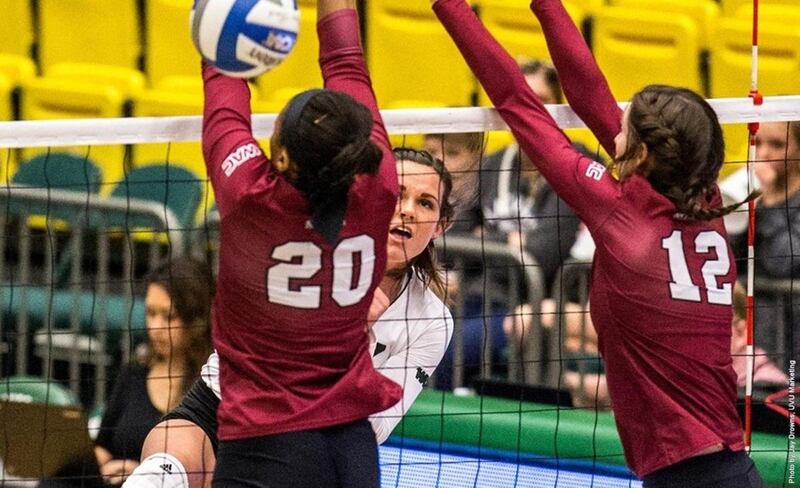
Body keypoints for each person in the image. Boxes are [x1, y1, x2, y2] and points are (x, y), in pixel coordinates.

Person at [429, 0, 763, 486]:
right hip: (720, 462)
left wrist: (451, 7)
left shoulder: (618, 211)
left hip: (688, 473)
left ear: (642, 153)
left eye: (624, 127)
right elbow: (591, 94)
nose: (614, 125)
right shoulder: (702, 196)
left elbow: (517, 101)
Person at [122, 148, 455, 488]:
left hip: (312, 444)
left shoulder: (431, 321)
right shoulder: (302, 248)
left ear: (442, 225)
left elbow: (377, 427)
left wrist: (359, 338)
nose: (408, 211)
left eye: (425, 203)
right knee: (159, 474)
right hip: (224, 406)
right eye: (397, 194)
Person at [196, 0, 408, 485]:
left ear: (284, 158)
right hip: (352, 451)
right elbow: (347, 61)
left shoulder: (249, 196)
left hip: (266, 450)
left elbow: (222, 76)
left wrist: (224, 19)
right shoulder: (379, 186)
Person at [94, 257, 213, 486]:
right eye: (150, 313)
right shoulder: (133, 373)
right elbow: (102, 446)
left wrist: (141, 472)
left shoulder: (210, 386)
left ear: (195, 320)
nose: (155, 327)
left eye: (168, 316)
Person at [731, 121, 800, 366]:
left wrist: (768, 201)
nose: (763, 154)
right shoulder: (753, 196)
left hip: (793, 338)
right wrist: (734, 209)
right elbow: (732, 257)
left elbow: (784, 264)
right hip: (760, 334)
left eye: (777, 145)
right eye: (757, 143)